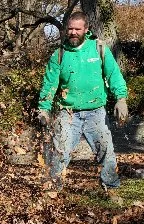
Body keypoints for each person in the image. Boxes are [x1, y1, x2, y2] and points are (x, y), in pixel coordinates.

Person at [37, 11, 128, 195]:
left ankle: (111, 189)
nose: (73, 32)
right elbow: (49, 85)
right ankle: (52, 190)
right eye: (70, 29)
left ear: (86, 29)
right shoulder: (59, 55)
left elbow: (114, 75)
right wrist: (44, 110)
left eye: (77, 29)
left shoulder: (99, 48)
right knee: (59, 152)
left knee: (106, 151)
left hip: (96, 112)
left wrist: (121, 98)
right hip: (67, 113)